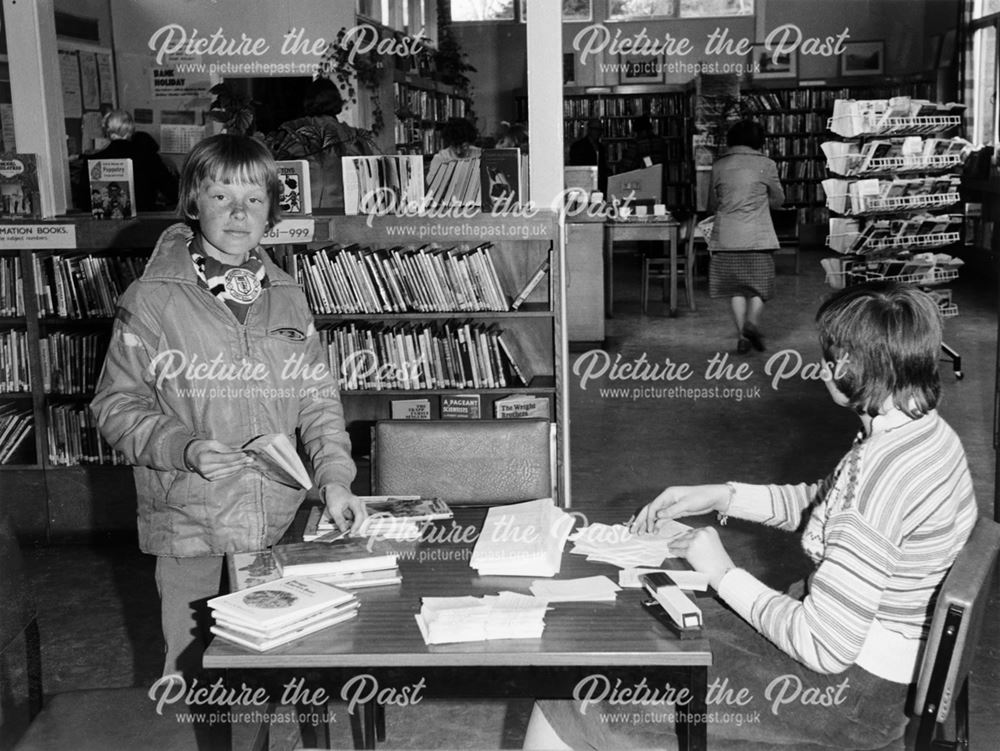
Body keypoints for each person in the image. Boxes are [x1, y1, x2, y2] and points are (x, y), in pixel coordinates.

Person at [525, 281, 978, 750]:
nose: (822, 367)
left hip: (849, 698)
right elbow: (825, 505)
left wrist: (721, 571)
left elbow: (824, 647)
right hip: (874, 668)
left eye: (833, 357)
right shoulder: (922, 435)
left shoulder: (883, 476)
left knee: (578, 693)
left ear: (860, 369)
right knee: (653, 636)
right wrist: (722, 496)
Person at [91, 133, 366, 681]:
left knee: (270, 661)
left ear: (271, 212)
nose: (238, 214)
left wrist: (335, 478)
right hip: (188, 518)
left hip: (274, 519)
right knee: (194, 670)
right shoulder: (151, 298)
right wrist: (184, 448)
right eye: (221, 197)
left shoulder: (287, 295)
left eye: (254, 200)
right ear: (194, 201)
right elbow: (115, 405)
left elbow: (316, 397)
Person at [707, 119, 785, 354]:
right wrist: (761, 203)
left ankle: (742, 335)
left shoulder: (719, 165)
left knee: (736, 289)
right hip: (757, 238)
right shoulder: (766, 165)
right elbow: (779, 200)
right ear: (758, 141)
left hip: (727, 238)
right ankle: (752, 323)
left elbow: (711, 203)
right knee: (761, 287)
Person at [271, 78, 377, 210]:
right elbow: (371, 178)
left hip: (303, 214)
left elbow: (274, 169)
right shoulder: (354, 137)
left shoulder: (293, 132)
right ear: (337, 101)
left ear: (308, 101)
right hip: (344, 213)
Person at [80, 109, 178, 212]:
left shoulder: (92, 161)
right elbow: (172, 192)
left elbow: (83, 202)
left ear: (106, 131)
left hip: (104, 225)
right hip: (144, 222)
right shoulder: (149, 158)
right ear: (132, 130)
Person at [568, 118, 608, 193]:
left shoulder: (601, 147)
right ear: (589, 130)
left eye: (599, 129)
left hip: (600, 185)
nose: (597, 132)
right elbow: (576, 168)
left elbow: (603, 167)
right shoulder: (578, 146)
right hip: (584, 184)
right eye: (595, 129)